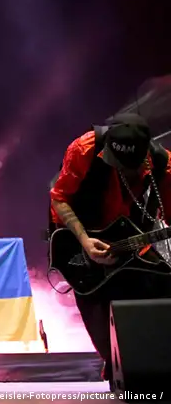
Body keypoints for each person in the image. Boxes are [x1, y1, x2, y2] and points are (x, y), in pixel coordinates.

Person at [50, 113, 171, 381]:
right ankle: (114, 361)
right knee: (97, 314)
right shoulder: (84, 148)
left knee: (155, 292)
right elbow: (59, 197)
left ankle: (146, 367)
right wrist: (85, 240)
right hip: (85, 238)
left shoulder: (163, 163)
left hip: (133, 242)